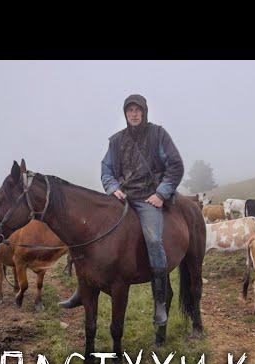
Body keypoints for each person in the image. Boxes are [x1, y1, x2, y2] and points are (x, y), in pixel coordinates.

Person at [59, 94, 185, 329]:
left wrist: (161, 193)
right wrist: (112, 187)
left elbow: (175, 166)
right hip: (122, 198)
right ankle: (82, 289)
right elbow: (106, 169)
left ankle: (159, 299)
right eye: (130, 110)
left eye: (138, 110)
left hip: (149, 198)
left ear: (144, 112)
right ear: (125, 114)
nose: (134, 114)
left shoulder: (158, 135)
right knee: (87, 233)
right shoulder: (116, 141)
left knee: (154, 239)